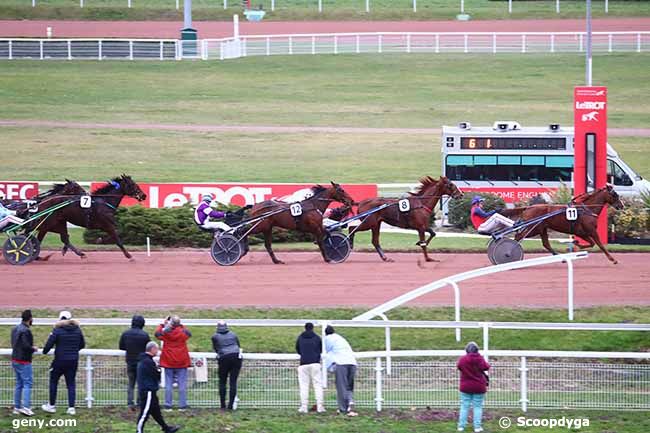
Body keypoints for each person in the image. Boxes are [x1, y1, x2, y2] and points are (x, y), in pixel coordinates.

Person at [42, 310, 85, 416]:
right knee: (71, 383)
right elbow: (82, 344)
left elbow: (48, 345)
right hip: (73, 361)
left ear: (60, 319)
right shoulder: (77, 330)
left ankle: (51, 405)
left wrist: (44, 351)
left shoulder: (57, 330)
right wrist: (73, 350)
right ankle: (71, 408)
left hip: (59, 361)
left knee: (53, 382)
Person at [136, 342, 181, 433]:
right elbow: (156, 375)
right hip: (148, 391)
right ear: (152, 349)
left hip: (148, 390)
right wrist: (158, 370)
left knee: (156, 412)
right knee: (144, 413)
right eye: (157, 349)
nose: (158, 351)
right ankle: (139, 430)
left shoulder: (144, 360)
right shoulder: (148, 362)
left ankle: (166, 428)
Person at [155, 316, 191, 411]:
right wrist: (179, 325)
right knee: (182, 384)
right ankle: (182, 405)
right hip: (181, 360)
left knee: (168, 384)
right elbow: (188, 333)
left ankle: (168, 405)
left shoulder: (166, 333)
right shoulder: (183, 332)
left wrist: (163, 324)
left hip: (168, 360)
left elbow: (157, 334)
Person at [324, 326, 358, 417]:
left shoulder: (327, 339)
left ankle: (343, 408)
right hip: (352, 362)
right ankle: (350, 403)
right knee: (349, 386)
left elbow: (326, 352)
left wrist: (328, 367)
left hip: (341, 363)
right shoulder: (340, 338)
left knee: (342, 386)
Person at [456, 341, 490, 433]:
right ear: (477, 350)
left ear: (466, 350)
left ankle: (461, 426)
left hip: (465, 386)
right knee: (477, 407)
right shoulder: (480, 359)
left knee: (464, 406)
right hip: (479, 386)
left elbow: (459, 366)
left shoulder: (462, 359)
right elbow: (487, 367)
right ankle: (477, 427)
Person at [119, 314, 150, 411]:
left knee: (131, 383)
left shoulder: (126, 333)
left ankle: (130, 403)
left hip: (130, 361)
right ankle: (139, 402)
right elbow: (147, 348)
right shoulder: (145, 335)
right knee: (141, 383)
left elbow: (121, 347)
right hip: (141, 362)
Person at [211, 321, 242, 410]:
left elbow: (216, 348)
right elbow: (238, 346)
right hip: (236, 357)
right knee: (233, 382)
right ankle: (231, 405)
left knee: (222, 382)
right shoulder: (233, 334)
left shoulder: (215, 336)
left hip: (224, 357)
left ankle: (222, 405)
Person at [11, 309, 37, 416]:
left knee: (19, 383)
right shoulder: (26, 331)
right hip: (24, 360)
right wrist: (33, 348)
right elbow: (26, 346)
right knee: (27, 383)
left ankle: (17, 407)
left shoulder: (15, 329)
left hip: (15, 359)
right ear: (30, 318)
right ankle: (26, 407)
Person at [295, 322, 325, 413]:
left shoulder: (300, 338)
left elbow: (298, 349)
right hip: (315, 363)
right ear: (313, 328)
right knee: (318, 385)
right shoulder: (317, 338)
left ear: (305, 328)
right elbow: (321, 349)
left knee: (304, 386)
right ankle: (320, 406)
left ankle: (304, 407)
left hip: (303, 363)